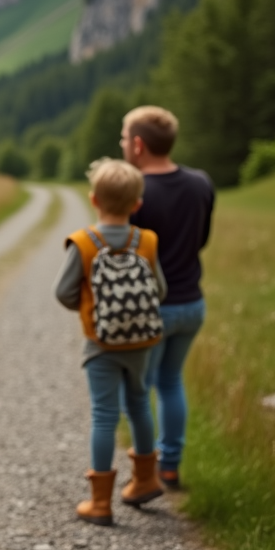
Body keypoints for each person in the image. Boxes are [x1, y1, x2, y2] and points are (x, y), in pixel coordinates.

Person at [54, 158, 167, 526]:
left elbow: (63, 292)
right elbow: (160, 290)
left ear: (94, 200)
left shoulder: (84, 242)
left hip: (101, 344)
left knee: (104, 416)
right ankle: (146, 479)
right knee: (138, 404)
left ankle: (100, 504)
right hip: (141, 342)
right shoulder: (146, 240)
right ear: (137, 204)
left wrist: (90, 308)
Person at [122, 106, 215, 490]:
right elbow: (203, 239)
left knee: (139, 390)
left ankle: (145, 473)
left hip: (151, 309)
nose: (124, 145)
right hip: (192, 303)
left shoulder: (136, 192)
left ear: (139, 145)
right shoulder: (201, 183)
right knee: (171, 381)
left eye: (125, 138)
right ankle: (170, 466)